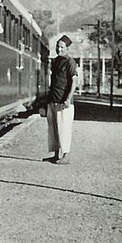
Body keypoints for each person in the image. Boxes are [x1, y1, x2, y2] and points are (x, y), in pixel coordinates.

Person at [46, 35, 78, 164]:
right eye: (57, 46)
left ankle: (66, 155)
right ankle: (55, 154)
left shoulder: (70, 62)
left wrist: (68, 99)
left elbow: (74, 81)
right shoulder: (55, 61)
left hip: (64, 102)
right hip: (54, 99)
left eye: (62, 47)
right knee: (53, 128)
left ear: (68, 49)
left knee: (64, 128)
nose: (59, 49)